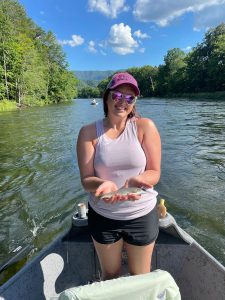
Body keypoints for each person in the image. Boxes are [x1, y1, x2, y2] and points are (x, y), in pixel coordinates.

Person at [76, 72, 161, 280]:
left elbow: (155, 172)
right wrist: (103, 183)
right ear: (106, 97)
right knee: (111, 275)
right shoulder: (88, 133)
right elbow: (86, 180)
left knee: (140, 277)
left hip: (141, 214)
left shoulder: (145, 127)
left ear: (134, 102)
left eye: (129, 97)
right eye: (117, 96)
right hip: (104, 215)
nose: (122, 102)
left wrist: (137, 181)